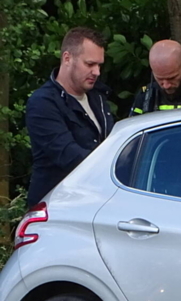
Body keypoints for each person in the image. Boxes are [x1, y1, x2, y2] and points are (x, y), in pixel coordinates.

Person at [25, 27, 116, 206]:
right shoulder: (43, 102)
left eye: (99, 65)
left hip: (95, 202)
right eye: (90, 64)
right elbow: (68, 156)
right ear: (67, 58)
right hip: (56, 207)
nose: (97, 72)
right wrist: (115, 168)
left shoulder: (98, 97)